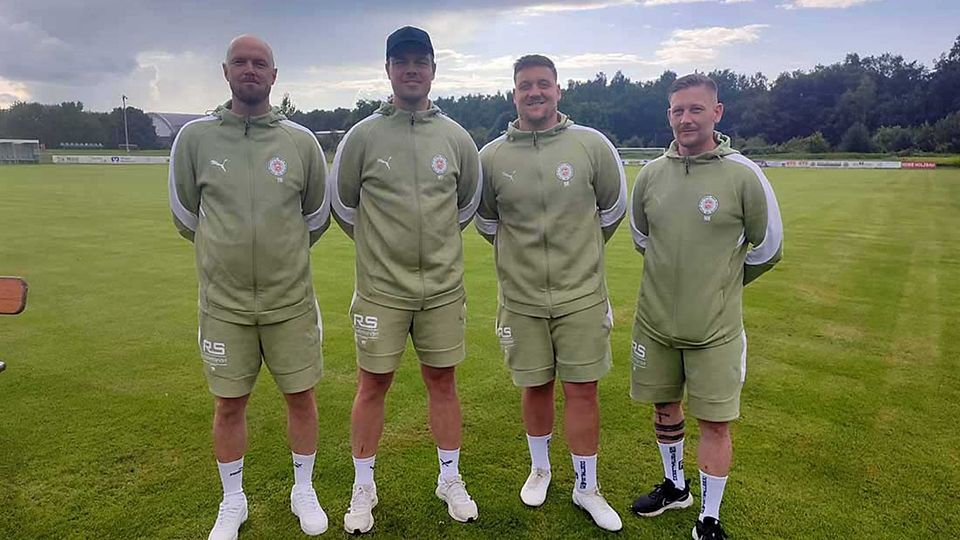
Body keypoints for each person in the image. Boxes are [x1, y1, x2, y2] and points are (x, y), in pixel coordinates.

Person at [168, 34, 331, 540]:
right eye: (240, 62)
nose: (250, 70)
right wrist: (227, 254)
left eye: (260, 63)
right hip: (224, 304)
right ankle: (232, 500)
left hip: (290, 302)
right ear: (225, 71)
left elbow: (316, 215)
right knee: (228, 404)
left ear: (274, 76)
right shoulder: (194, 139)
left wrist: (278, 255)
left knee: (301, 397)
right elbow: (186, 215)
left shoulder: (300, 142)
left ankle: (303, 488)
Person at [329, 26, 482, 535]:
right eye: (402, 61)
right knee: (372, 384)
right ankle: (363, 487)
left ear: (434, 69)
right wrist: (382, 250)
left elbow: (465, 205)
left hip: (441, 289)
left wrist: (432, 248)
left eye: (420, 61)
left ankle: (449, 479)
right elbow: (343, 205)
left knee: (443, 382)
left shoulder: (456, 138)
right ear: (388, 69)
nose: (411, 69)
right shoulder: (362, 136)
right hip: (381, 290)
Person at [628, 73, 783, 540]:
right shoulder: (651, 174)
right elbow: (642, 237)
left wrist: (721, 285)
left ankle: (709, 519)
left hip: (716, 329)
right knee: (664, 407)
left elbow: (768, 247)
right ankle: (675, 487)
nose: (686, 118)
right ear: (669, 115)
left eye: (696, 109)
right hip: (655, 324)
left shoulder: (743, 174)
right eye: (678, 110)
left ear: (717, 112)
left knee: (715, 422)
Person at [475, 54, 626, 532]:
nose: (535, 92)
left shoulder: (590, 145)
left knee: (582, 390)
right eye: (525, 85)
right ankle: (540, 470)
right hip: (520, 300)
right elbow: (487, 221)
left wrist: (578, 254)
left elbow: (612, 210)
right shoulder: (491, 157)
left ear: (559, 90)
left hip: (581, 296)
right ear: (514, 94)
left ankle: (586, 486)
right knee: (535, 386)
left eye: (543, 84)